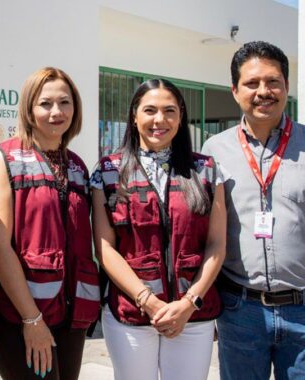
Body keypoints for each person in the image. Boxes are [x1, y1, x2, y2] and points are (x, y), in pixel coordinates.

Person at [201, 41, 305, 379]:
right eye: (252, 83)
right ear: (235, 91)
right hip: (239, 311)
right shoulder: (214, 150)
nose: (263, 91)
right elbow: (204, 234)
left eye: (273, 82)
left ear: (287, 87)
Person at [91, 78, 226, 380]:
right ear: (134, 115)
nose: (159, 120)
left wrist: (188, 303)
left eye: (169, 111)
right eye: (150, 110)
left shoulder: (207, 170)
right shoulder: (108, 171)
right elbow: (105, 247)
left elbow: (216, 244)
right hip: (130, 312)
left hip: (192, 315)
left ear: (181, 117)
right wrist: (147, 301)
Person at [0, 67, 100, 380]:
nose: (56, 111)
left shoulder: (76, 165)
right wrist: (31, 319)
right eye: (45, 103)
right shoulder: (4, 158)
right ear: (29, 109)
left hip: (70, 314)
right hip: (20, 313)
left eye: (65, 102)